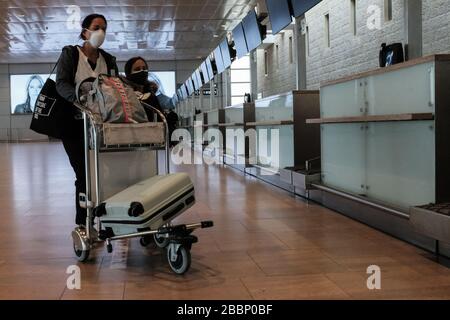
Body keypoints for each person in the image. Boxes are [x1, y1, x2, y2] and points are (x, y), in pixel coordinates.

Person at [56, 13, 118, 228]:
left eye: (104, 28)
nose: (101, 32)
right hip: (74, 124)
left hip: (100, 125)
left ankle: (106, 216)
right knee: (83, 174)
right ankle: (83, 223)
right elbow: (61, 83)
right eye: (96, 27)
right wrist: (77, 99)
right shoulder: (71, 55)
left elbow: (115, 86)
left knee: (104, 173)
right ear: (85, 31)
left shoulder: (108, 59)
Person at [124, 56, 162, 121]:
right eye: (137, 69)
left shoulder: (151, 95)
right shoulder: (124, 95)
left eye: (144, 68)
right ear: (128, 73)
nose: (142, 71)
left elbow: (159, 118)